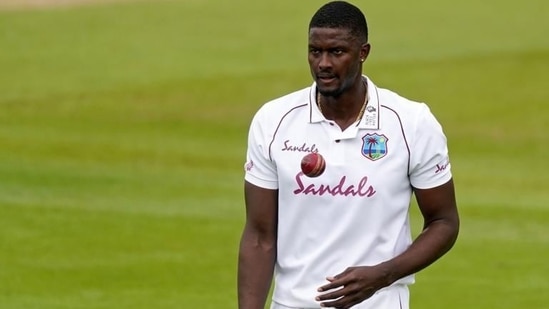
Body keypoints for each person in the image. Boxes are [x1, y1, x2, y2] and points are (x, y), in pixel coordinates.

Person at [238, 1, 460, 308]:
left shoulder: (412, 123)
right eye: (315, 51)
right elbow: (259, 236)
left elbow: (444, 222)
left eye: (337, 52)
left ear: (363, 52)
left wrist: (383, 275)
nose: (323, 63)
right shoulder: (274, 121)